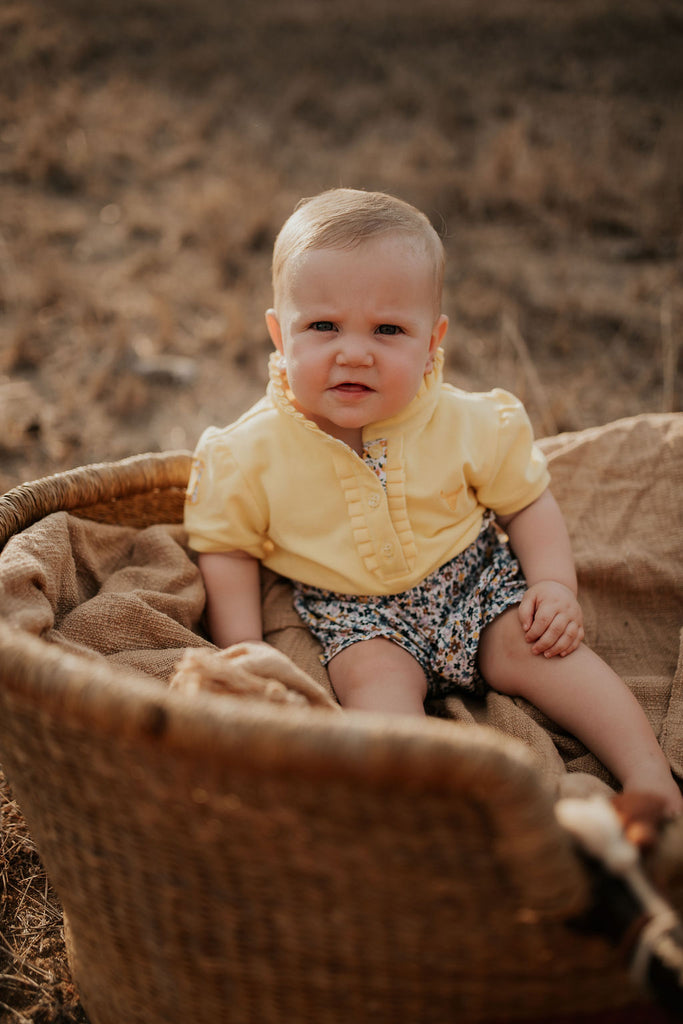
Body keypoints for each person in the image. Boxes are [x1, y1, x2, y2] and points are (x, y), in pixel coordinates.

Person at [184, 187, 682, 814]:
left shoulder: (468, 422)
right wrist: (246, 645)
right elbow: (225, 546)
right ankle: (430, 817)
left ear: (432, 340)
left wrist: (554, 584)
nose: (355, 351)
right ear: (280, 335)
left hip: (471, 581)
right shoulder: (247, 452)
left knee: (546, 650)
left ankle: (649, 776)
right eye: (323, 326)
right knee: (374, 689)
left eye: (388, 329)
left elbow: (526, 503)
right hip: (356, 614)